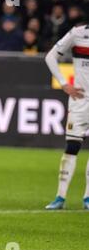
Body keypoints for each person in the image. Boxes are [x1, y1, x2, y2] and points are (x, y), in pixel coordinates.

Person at [44, 23, 89, 210]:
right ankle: (60, 197)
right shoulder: (78, 33)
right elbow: (50, 57)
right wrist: (64, 83)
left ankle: (87, 198)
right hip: (80, 99)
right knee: (72, 146)